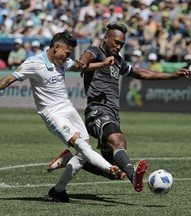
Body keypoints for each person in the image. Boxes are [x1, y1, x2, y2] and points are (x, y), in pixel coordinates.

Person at [49, 22, 191, 193]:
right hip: (97, 111)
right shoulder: (96, 52)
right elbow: (84, 59)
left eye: (121, 44)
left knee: (114, 171)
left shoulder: (118, 61)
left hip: (112, 114)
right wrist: (84, 64)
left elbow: (140, 72)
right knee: (119, 140)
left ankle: (68, 159)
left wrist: (171, 76)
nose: (118, 46)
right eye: (115, 42)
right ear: (106, 38)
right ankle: (134, 177)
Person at [0, 30, 120, 203]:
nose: (67, 58)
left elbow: (80, 66)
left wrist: (102, 64)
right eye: (67, 53)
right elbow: (8, 80)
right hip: (53, 114)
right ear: (56, 47)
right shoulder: (34, 63)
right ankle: (112, 169)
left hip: (69, 110)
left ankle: (58, 190)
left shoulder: (62, 61)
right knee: (83, 147)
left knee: (83, 153)